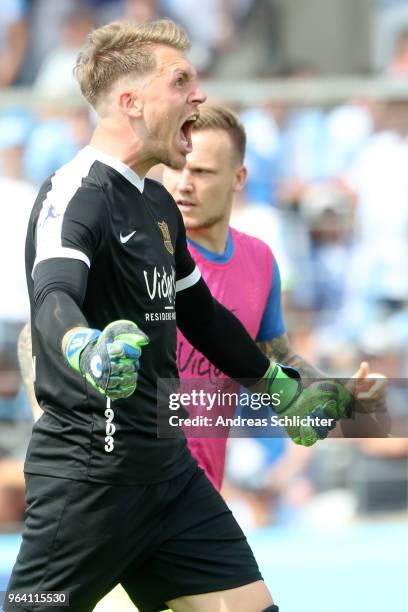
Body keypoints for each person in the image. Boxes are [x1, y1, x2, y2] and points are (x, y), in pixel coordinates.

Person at [5, 20, 357, 612]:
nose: (199, 94)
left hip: (171, 483)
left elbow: (202, 316)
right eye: (181, 81)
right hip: (90, 483)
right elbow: (53, 297)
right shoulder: (74, 192)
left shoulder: (157, 203)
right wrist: (86, 348)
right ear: (131, 102)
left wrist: (279, 390)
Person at [162, 104, 386, 493]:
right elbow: (47, 330)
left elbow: (275, 357)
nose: (184, 183)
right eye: (177, 165)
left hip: (201, 490)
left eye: (201, 171)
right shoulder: (144, 254)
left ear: (238, 178)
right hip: (135, 489)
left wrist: (331, 391)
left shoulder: (260, 261)